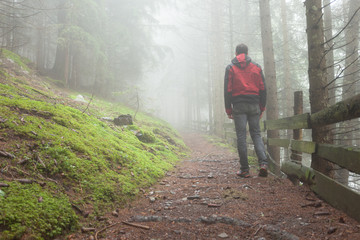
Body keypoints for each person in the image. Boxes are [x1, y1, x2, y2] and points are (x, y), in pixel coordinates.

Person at [224, 43, 268, 178]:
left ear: (236, 53)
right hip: (254, 104)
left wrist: (228, 109)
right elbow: (263, 89)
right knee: (256, 134)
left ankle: (244, 169)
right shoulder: (257, 67)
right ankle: (263, 164)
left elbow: (227, 90)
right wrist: (262, 107)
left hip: (238, 105)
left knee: (241, 136)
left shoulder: (230, 68)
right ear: (247, 53)